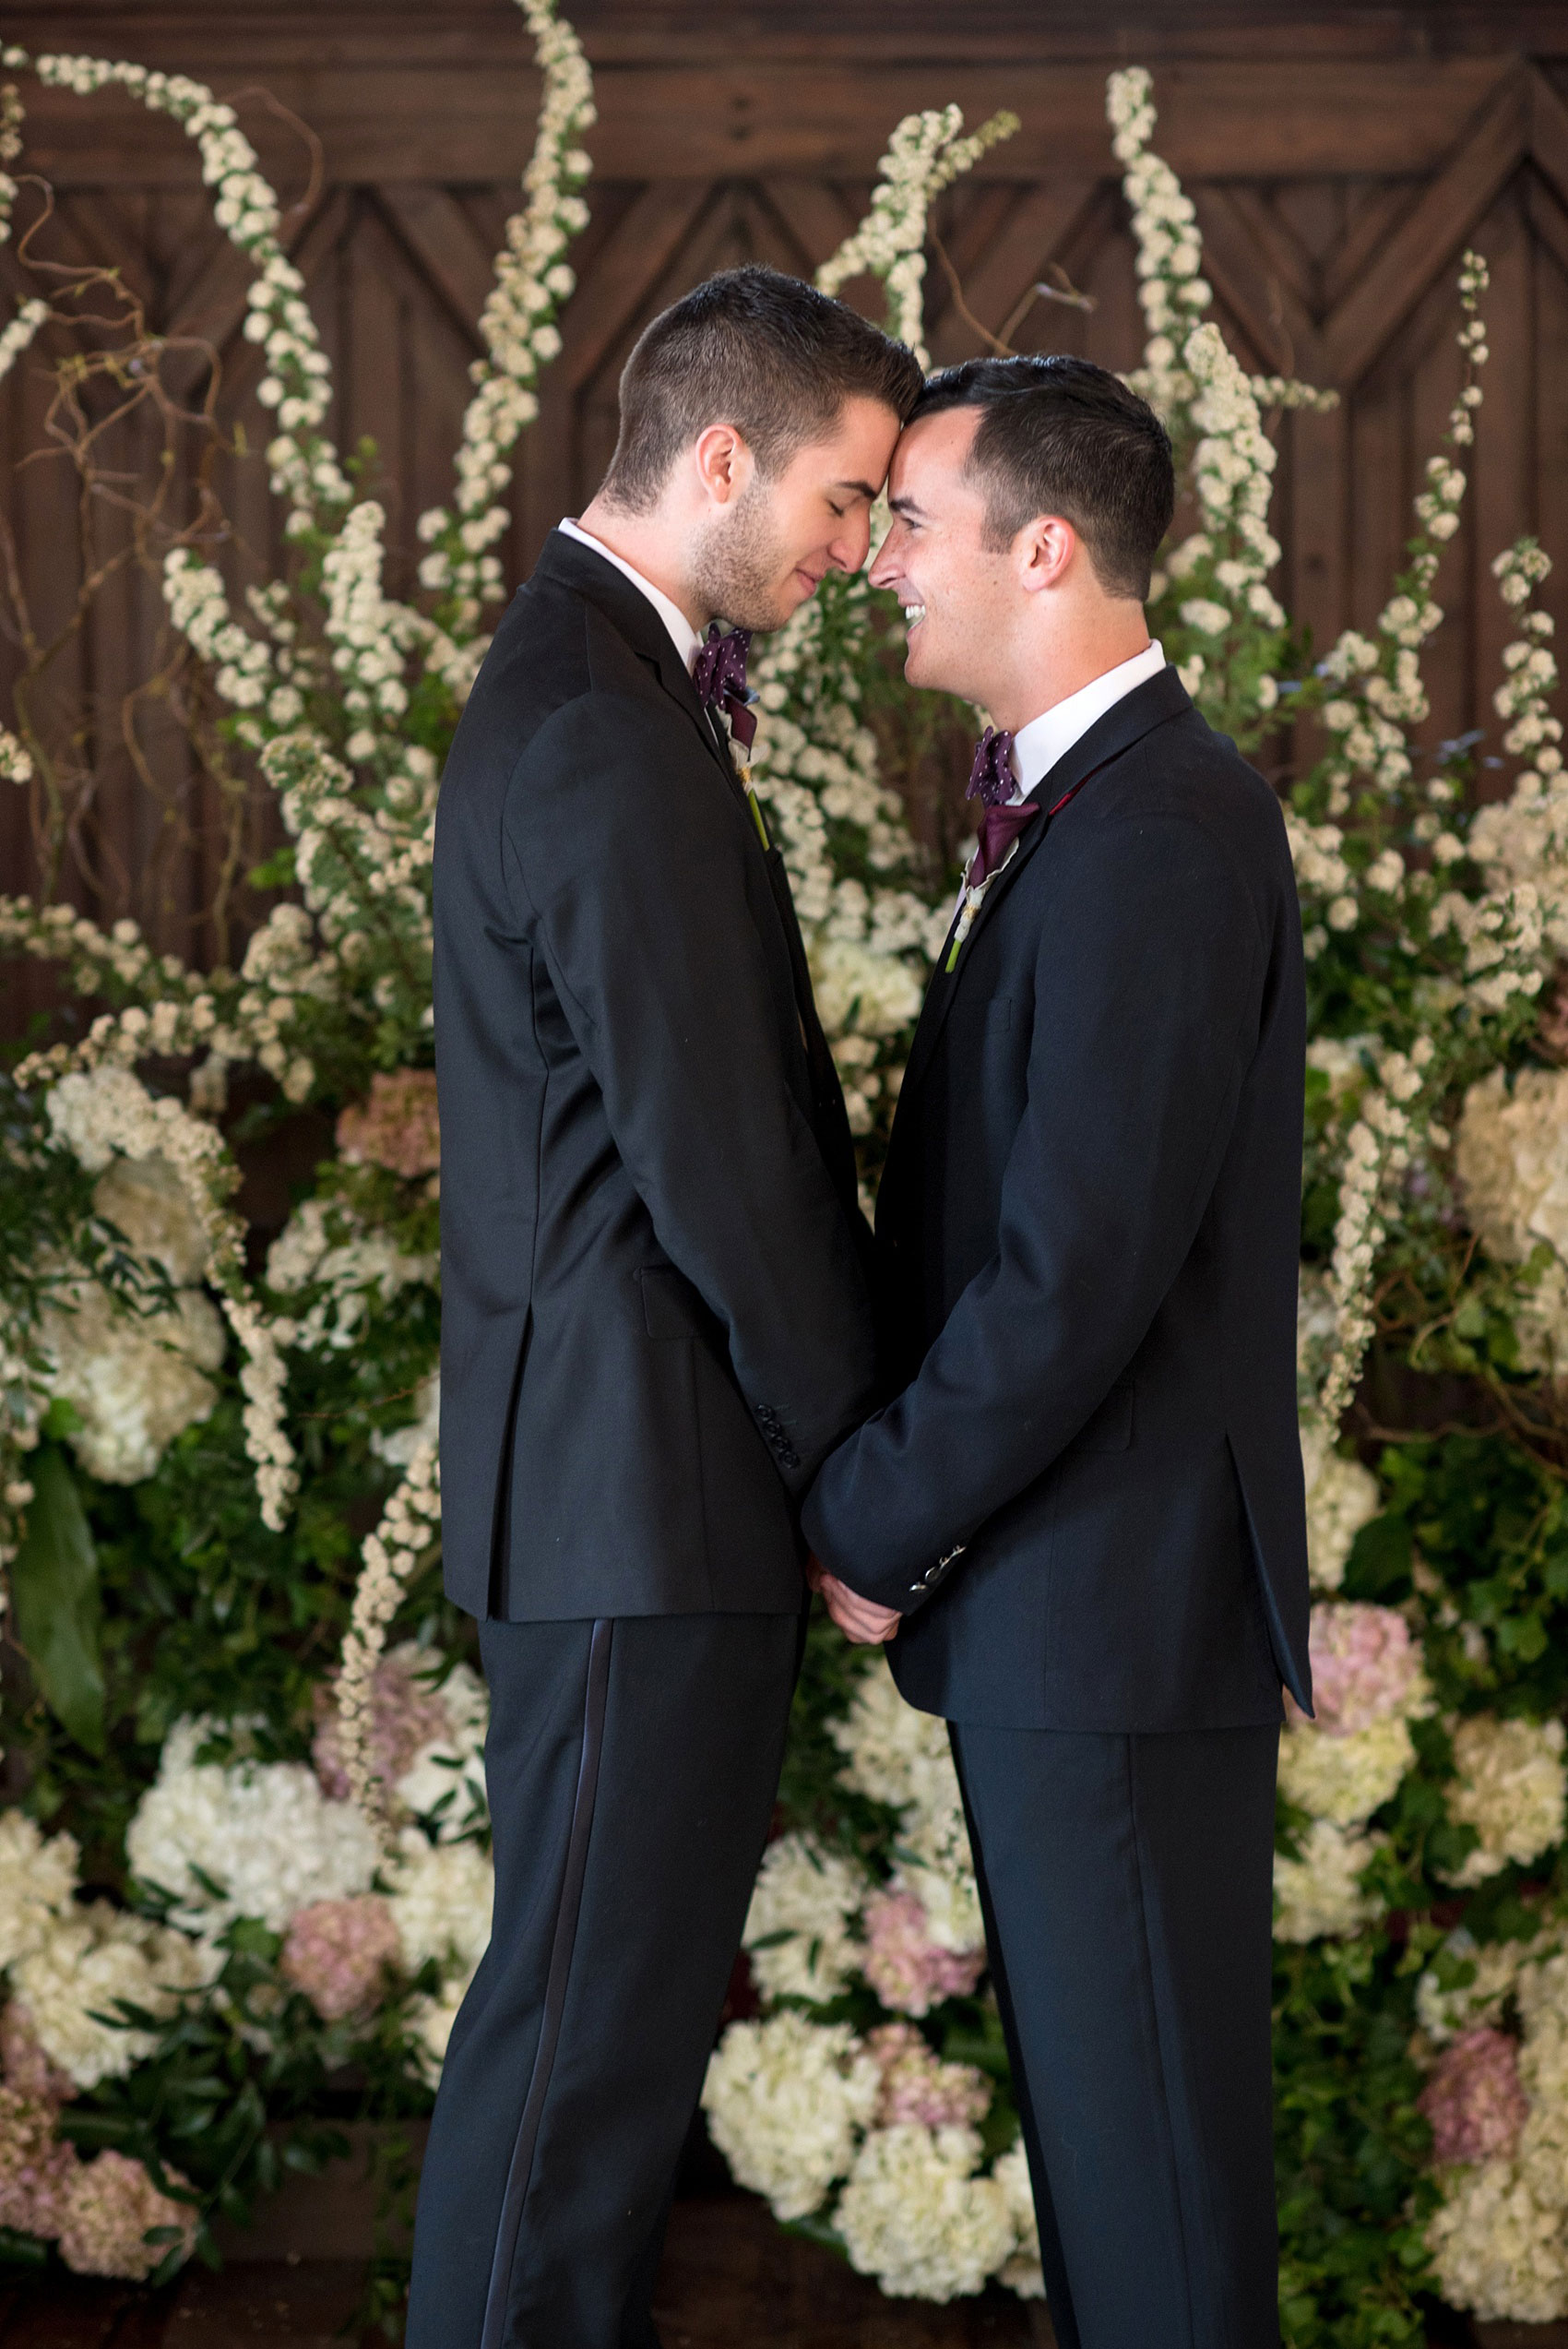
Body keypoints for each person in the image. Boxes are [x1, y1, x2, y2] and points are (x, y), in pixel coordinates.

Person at [411, 265, 922, 2349]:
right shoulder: (603, 729)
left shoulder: (591, 687)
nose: (860, 547)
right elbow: (717, 1166)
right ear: (722, 457)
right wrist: (867, 1476)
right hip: (641, 1503)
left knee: (593, 2060)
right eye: (847, 495)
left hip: (622, 1495)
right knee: (580, 2073)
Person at [802, 353, 1311, 2349]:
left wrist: (871, 1513)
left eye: (910, 521)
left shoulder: (1160, 834)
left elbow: (1070, 1273)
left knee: (1156, 2185)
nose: (880, 566)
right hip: (1074, 1606)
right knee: (1121, 2177)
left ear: (1047, 542)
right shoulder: (1089, 810)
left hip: (1107, 1604)